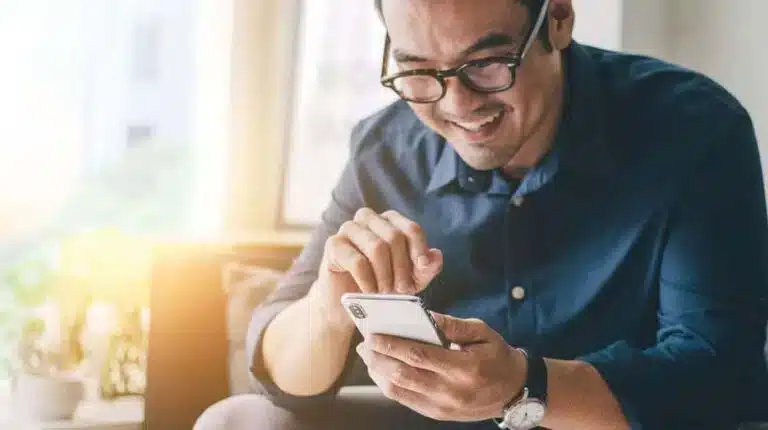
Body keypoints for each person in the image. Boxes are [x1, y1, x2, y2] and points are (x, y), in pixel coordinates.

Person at [195, 0, 768, 429]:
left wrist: (526, 386)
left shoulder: (692, 128)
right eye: (418, 70)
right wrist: (328, 305)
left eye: (488, 63)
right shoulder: (384, 150)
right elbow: (280, 375)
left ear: (560, 19)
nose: (457, 104)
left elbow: (717, 373)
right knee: (238, 420)